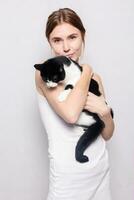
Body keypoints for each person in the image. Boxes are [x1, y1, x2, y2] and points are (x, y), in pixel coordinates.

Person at [35, 8, 114, 200]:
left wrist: (104, 112)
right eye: (57, 40)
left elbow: (107, 133)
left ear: (83, 36)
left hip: (100, 172)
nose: (66, 47)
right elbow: (71, 115)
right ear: (49, 43)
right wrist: (86, 70)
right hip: (68, 181)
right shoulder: (45, 74)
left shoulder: (96, 79)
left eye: (72, 37)